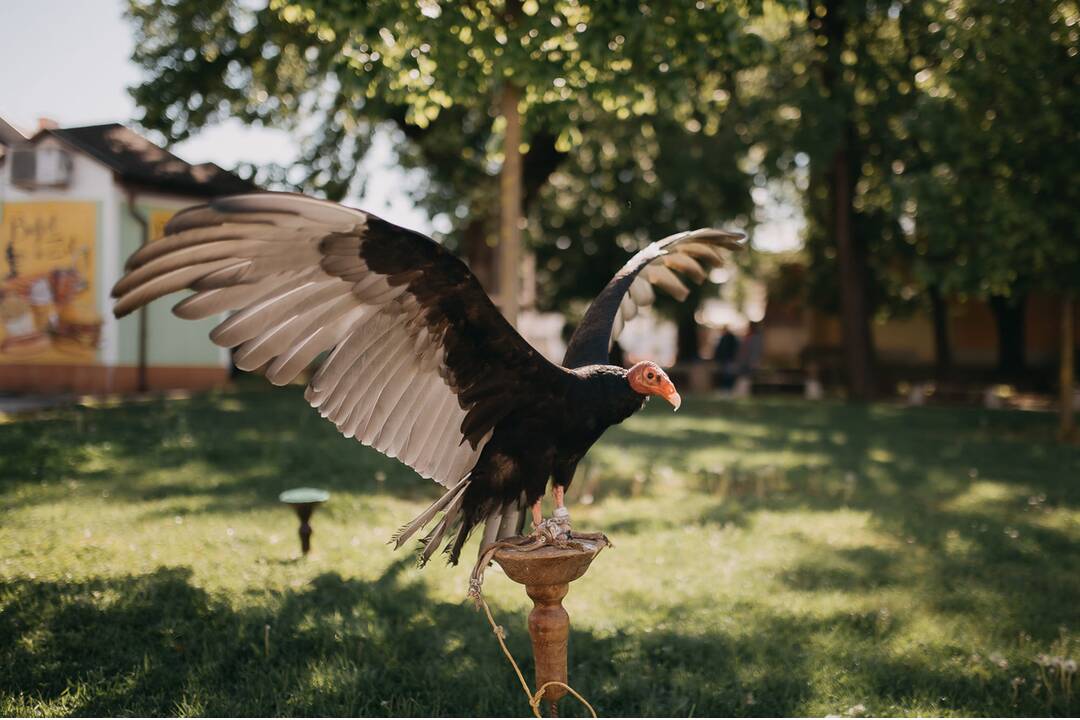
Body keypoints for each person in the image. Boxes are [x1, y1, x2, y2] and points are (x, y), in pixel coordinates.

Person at [733, 322, 763, 397]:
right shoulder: (749, 337)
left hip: (749, 363)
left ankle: (744, 393)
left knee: (746, 378)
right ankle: (741, 393)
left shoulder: (756, 338)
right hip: (744, 363)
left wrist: (753, 362)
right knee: (743, 378)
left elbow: (755, 351)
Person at [714, 325, 739, 391]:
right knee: (726, 374)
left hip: (728, 360)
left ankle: (727, 388)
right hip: (726, 360)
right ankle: (726, 388)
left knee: (728, 374)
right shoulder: (726, 338)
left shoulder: (728, 338)